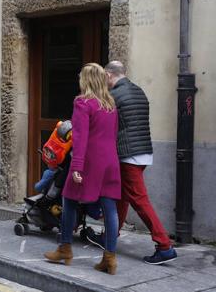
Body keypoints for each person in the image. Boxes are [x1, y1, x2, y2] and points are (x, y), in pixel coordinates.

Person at [86, 61, 177, 265]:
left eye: (104, 78)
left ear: (109, 75)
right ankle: (109, 236)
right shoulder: (138, 91)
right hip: (143, 152)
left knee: (139, 200)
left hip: (128, 155)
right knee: (122, 197)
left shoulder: (115, 96)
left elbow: (102, 125)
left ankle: (164, 246)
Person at [44, 63, 121, 275]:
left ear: (86, 80)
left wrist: (76, 166)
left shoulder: (82, 103)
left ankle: (65, 249)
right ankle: (110, 259)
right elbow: (112, 135)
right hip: (110, 162)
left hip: (89, 161)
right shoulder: (110, 104)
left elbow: (80, 138)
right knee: (110, 208)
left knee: (68, 200)